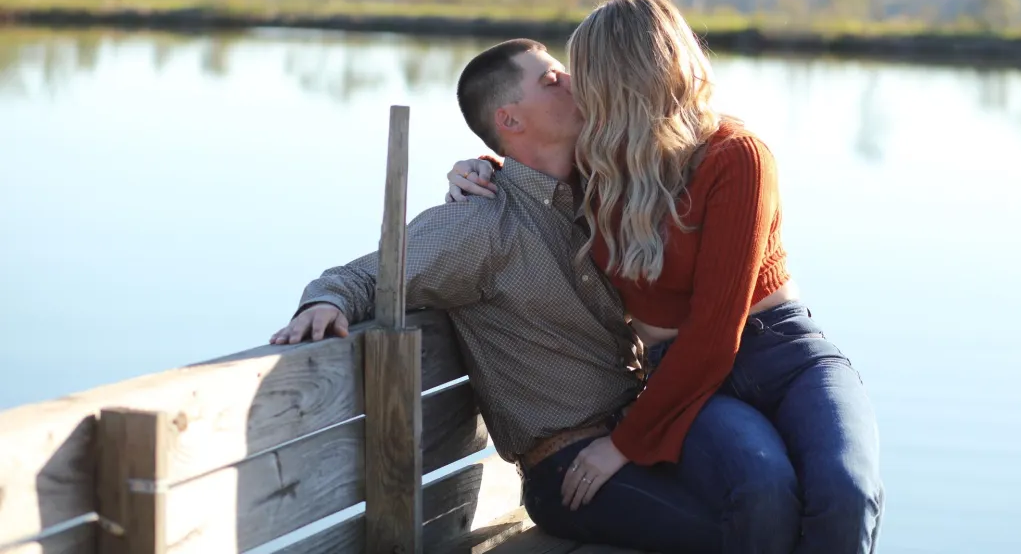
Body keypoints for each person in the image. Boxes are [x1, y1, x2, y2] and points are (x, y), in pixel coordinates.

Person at [269, 38, 798, 553]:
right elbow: (365, 276)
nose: (574, 80)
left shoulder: (605, 193)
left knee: (785, 494)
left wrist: (485, 161)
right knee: (750, 526)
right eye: (551, 79)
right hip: (568, 470)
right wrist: (325, 302)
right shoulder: (479, 222)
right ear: (511, 120)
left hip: (637, 433)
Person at [446, 0, 884, 554]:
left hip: (785, 358)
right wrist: (481, 170)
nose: (574, 85)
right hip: (687, 379)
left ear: (627, 74)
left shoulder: (735, 155)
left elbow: (715, 331)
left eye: (583, 71)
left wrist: (622, 444)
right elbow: (532, 166)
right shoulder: (597, 166)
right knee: (764, 488)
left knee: (846, 493)